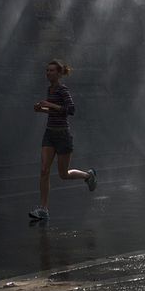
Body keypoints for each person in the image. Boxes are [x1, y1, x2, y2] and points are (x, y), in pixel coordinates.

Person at [29, 59, 97, 220]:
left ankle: (88, 176)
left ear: (59, 73)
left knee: (63, 174)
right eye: (47, 70)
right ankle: (43, 209)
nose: (48, 73)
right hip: (49, 134)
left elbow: (70, 110)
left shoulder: (62, 89)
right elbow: (54, 111)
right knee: (44, 170)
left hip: (62, 135)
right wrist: (42, 109)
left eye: (52, 71)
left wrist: (49, 106)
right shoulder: (50, 90)